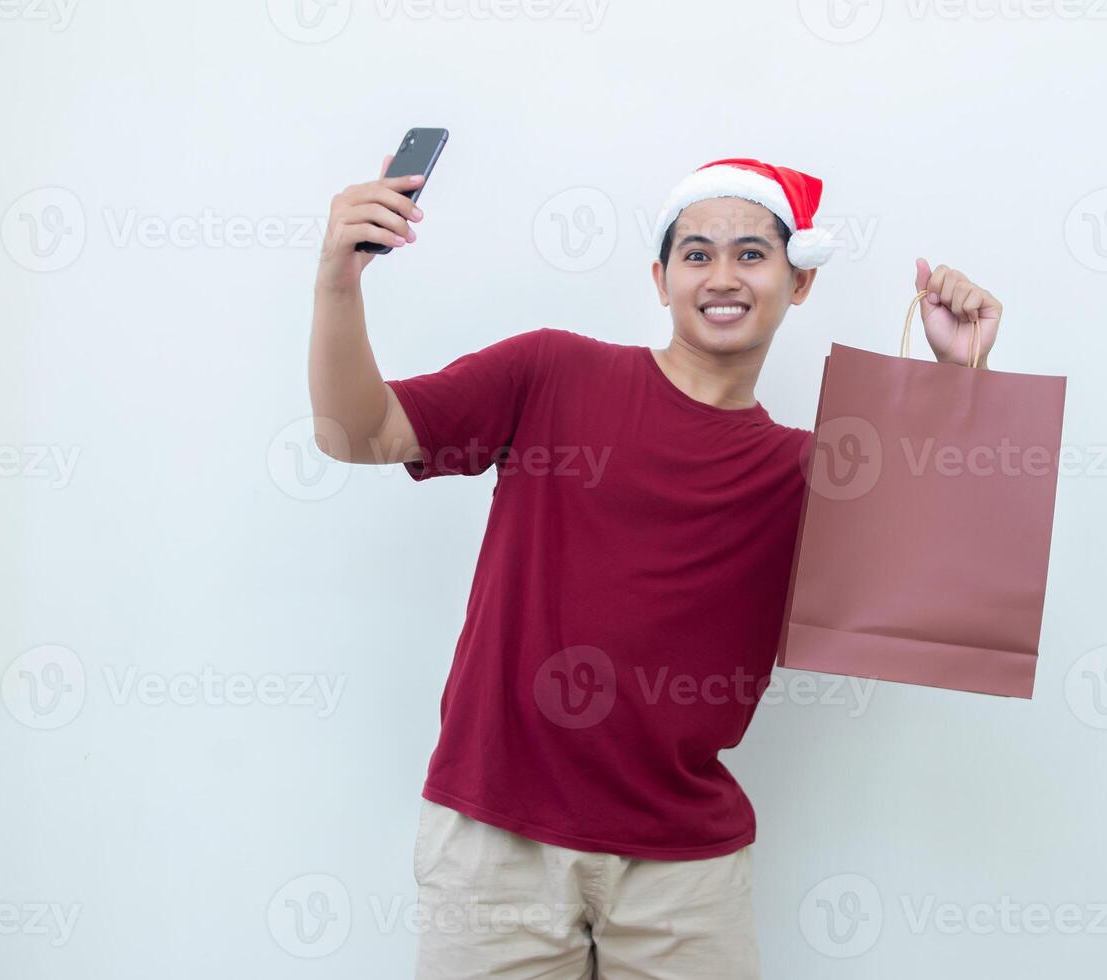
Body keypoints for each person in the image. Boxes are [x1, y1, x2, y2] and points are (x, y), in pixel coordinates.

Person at [307, 155, 1003, 978]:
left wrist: (962, 379)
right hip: (498, 846)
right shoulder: (553, 371)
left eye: (752, 253)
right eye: (697, 253)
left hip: (684, 876)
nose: (723, 275)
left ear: (798, 282)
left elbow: (947, 582)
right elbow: (357, 433)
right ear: (660, 278)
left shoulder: (807, 471)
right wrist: (338, 284)